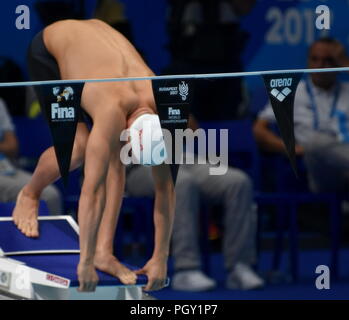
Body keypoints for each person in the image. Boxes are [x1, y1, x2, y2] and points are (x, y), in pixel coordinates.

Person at [12, 19, 175, 293]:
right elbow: (93, 190)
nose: (130, 157)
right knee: (77, 148)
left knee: (115, 160)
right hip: (51, 52)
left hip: (98, 55)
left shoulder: (166, 104)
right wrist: (84, 262)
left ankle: (104, 252)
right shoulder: (112, 109)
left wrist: (161, 258)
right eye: (132, 151)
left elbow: (166, 189)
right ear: (128, 132)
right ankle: (30, 193)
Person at [126, 115, 265, 291]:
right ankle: (186, 269)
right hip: (138, 165)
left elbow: (192, 129)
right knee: (182, 183)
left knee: (238, 182)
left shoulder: (165, 88)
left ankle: (239, 266)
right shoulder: (115, 90)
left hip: (181, 157)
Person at [253, 38, 349, 194]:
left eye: (328, 60)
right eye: (315, 59)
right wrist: (290, 149)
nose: (320, 65)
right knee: (316, 143)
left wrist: (346, 64)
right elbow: (259, 130)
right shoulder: (291, 92)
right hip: (317, 167)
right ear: (308, 61)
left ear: (338, 64)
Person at [165, 0, 256, 121]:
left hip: (225, 61)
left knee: (226, 122)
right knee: (183, 121)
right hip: (186, 59)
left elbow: (245, 7)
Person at [0, 97, 62, 213]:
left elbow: (12, 146)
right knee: (48, 195)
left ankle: (49, 231)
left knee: (51, 195)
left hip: (7, 168)